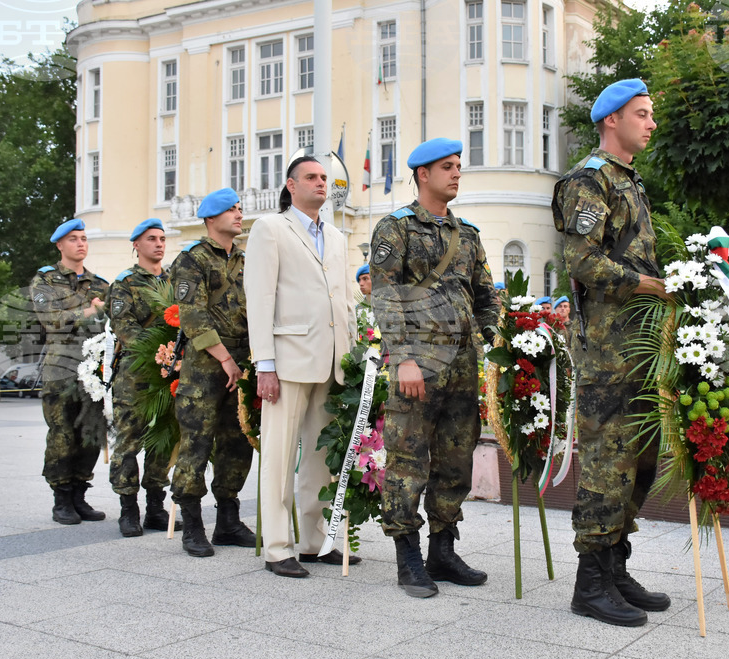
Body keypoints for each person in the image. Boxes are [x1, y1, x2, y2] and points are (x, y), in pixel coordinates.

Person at [551, 78, 671, 626]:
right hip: (606, 351)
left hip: (640, 346)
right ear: (611, 121)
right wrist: (652, 287)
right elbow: (585, 264)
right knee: (606, 463)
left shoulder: (630, 183)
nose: (650, 122)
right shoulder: (587, 182)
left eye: (649, 114)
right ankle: (590, 582)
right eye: (641, 114)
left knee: (639, 461)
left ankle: (616, 568)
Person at [370, 138, 500, 598]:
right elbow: (385, 296)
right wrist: (402, 357)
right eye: (447, 167)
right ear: (422, 174)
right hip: (417, 367)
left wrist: (495, 343)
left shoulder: (468, 235)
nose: (457, 173)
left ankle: (441, 550)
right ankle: (408, 557)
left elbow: (486, 296)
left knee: (455, 461)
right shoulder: (396, 228)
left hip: (462, 369)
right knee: (408, 461)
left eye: (459, 166)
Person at [245, 156, 357, 578]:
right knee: (278, 454)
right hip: (287, 361)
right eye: (312, 177)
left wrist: (355, 350)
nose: (321, 183)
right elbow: (260, 299)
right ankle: (277, 548)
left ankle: (314, 541)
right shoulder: (271, 228)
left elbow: (345, 300)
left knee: (322, 455)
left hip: (331, 361)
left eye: (325, 177)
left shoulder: (337, 236)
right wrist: (265, 365)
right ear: (291, 185)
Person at [169, 188, 257, 557]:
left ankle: (228, 521)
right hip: (206, 366)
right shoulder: (192, 260)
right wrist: (225, 359)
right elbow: (193, 316)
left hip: (243, 361)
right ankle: (191, 525)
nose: (238, 215)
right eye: (230, 210)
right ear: (210, 219)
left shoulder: (246, 258)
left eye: (239, 209)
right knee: (197, 443)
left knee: (238, 441)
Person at [30, 219, 110, 525]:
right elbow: (51, 320)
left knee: (91, 434)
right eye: (74, 239)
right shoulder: (45, 281)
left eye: (84, 238)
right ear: (60, 245)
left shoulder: (100, 285)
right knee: (62, 434)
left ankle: (80, 494)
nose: (81, 243)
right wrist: (88, 311)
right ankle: (61, 498)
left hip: (94, 371)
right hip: (60, 370)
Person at [108, 218, 178, 537]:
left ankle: (155, 506)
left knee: (164, 438)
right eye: (152, 238)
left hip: (168, 371)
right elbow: (125, 326)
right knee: (128, 440)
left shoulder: (175, 282)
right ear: (136, 245)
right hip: (134, 373)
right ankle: (128, 508)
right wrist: (157, 351)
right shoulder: (125, 283)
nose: (159, 244)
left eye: (162, 238)